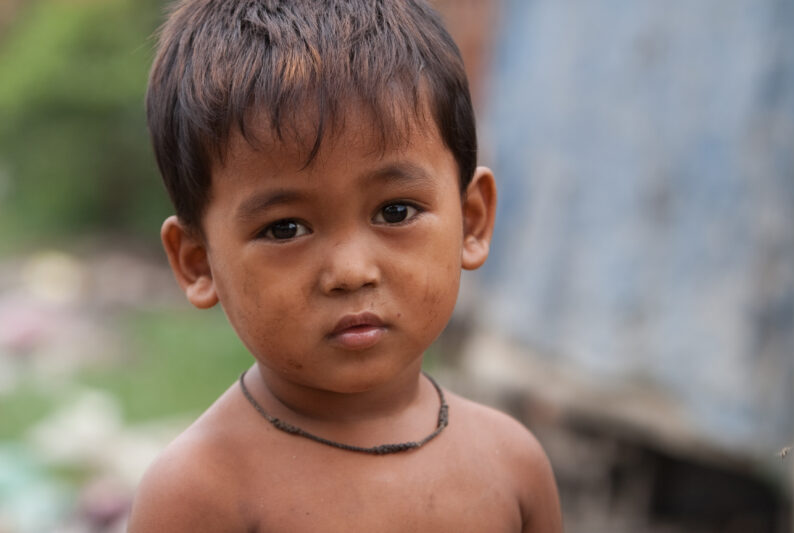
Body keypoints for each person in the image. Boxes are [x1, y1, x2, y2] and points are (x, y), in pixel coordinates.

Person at [127, 0, 562, 531]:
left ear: (471, 221)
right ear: (198, 263)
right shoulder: (201, 494)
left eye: (395, 211)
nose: (352, 271)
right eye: (284, 228)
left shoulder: (513, 467)